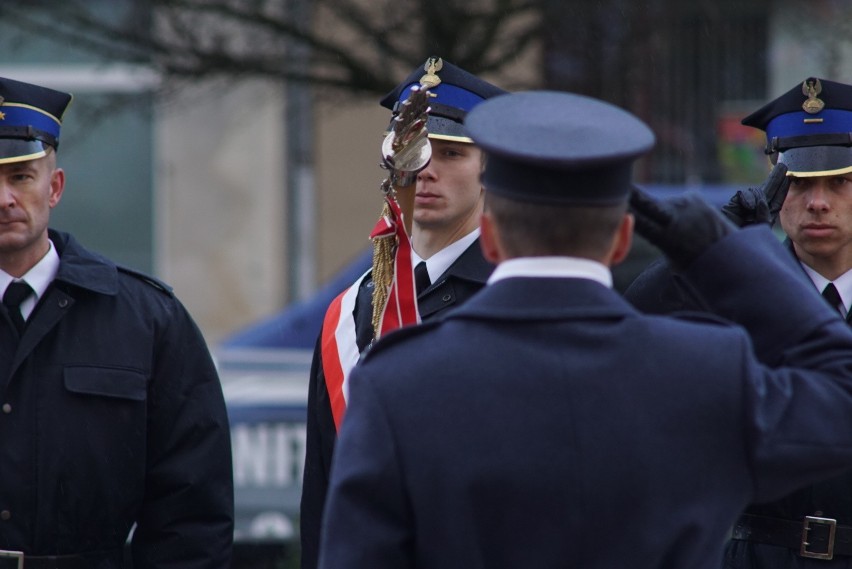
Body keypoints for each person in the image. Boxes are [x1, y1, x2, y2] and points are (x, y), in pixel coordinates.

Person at [317, 90, 852, 569]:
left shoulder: (398, 383)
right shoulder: (705, 370)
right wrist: (721, 254)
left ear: (492, 234)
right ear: (621, 240)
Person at [0, 77, 233, 567]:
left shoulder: (146, 321)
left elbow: (191, 515)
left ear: (54, 187)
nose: (5, 199)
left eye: (21, 176)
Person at [626, 77, 852, 566]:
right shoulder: (742, 285)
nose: (818, 202)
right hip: (760, 553)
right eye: (799, 182)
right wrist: (713, 249)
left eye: (840, 181)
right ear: (774, 183)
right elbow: (637, 318)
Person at [299, 57, 506, 569]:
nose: (426, 169)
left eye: (452, 154)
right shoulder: (353, 309)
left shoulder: (514, 298)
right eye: (412, 150)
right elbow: (324, 492)